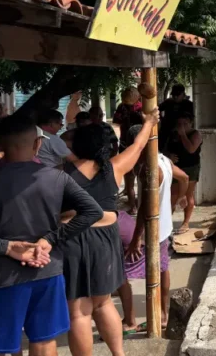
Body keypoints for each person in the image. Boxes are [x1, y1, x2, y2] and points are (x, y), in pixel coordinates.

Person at [0, 114, 103, 356]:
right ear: (38, 144)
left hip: (2, 279)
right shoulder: (57, 178)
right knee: (44, 342)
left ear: (0, 146)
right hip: (48, 271)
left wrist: (6, 247)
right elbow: (92, 211)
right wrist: (49, 240)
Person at [60, 109, 159, 356]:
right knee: (103, 303)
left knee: (79, 311)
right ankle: (119, 355)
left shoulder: (61, 173)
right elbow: (137, 146)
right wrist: (149, 123)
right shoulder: (113, 168)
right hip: (105, 238)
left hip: (72, 239)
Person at [117, 124, 189, 334]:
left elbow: (145, 209)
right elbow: (183, 177)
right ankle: (162, 315)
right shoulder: (164, 160)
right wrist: (179, 198)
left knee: (121, 274)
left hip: (152, 230)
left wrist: (136, 238)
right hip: (163, 227)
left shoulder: (150, 167)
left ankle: (131, 320)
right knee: (162, 268)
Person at [167, 112, 203, 234]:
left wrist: (183, 135)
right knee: (173, 194)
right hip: (175, 166)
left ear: (191, 123)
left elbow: (191, 149)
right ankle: (167, 223)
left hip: (190, 167)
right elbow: (164, 149)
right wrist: (169, 156)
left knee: (188, 194)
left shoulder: (195, 134)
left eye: (185, 124)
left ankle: (186, 222)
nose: (182, 126)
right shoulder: (173, 134)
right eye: (179, 124)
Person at [113, 87, 144, 214]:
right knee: (130, 176)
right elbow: (117, 123)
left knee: (138, 176)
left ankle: (137, 205)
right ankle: (134, 205)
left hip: (136, 146)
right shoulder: (123, 107)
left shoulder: (142, 108)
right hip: (128, 144)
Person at [158, 84, 194, 149]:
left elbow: (192, 119)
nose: (175, 97)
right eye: (173, 95)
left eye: (177, 95)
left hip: (181, 133)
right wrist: (161, 119)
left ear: (183, 94)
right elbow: (157, 109)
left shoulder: (189, 104)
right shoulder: (168, 102)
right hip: (166, 130)